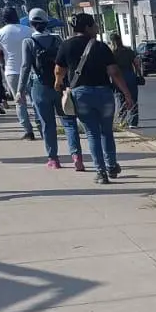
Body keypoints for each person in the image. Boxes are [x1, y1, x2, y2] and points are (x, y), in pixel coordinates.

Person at [54, 13, 135, 184]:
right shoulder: (101, 47)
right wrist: (126, 93)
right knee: (106, 131)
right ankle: (112, 165)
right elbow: (114, 72)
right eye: (95, 25)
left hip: (81, 94)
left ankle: (101, 172)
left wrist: (58, 83)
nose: (97, 28)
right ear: (88, 28)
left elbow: (59, 70)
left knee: (92, 133)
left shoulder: (66, 46)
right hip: (104, 93)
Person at [20, 8, 81, 170]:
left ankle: (53, 159)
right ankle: (76, 155)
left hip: (39, 87)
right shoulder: (57, 40)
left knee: (48, 124)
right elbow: (64, 64)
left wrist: (19, 90)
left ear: (31, 24)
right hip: (59, 84)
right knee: (68, 121)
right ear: (47, 22)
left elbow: (26, 67)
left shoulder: (28, 42)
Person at [0, 6, 37, 140]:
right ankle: (41, 125)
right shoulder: (29, 31)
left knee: (20, 102)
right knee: (35, 101)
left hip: (12, 71)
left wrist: (3, 62)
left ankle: (28, 130)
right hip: (31, 70)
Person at [109, 32, 140, 127]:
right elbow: (136, 63)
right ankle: (133, 122)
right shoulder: (128, 51)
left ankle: (122, 120)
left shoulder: (111, 53)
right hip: (130, 76)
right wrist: (139, 74)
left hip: (118, 78)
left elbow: (109, 68)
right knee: (133, 99)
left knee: (120, 99)